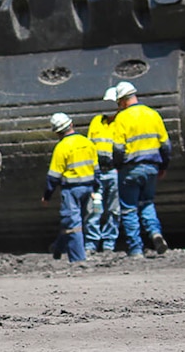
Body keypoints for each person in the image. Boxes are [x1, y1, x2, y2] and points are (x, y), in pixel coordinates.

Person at [110, 81, 170, 258]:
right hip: (151, 167)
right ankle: (155, 233)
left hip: (131, 169)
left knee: (129, 209)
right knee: (147, 203)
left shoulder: (122, 118)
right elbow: (166, 145)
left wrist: (118, 167)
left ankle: (135, 249)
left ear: (123, 100)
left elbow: (118, 148)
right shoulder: (153, 114)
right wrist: (163, 166)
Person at [41, 112, 99, 263]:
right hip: (89, 188)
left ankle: (78, 259)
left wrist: (47, 196)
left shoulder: (62, 147)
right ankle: (58, 248)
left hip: (71, 190)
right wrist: (97, 189)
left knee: (72, 223)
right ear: (71, 124)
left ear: (57, 132)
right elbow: (97, 169)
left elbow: (53, 176)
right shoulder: (87, 142)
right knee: (81, 220)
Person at [84, 86, 120, 253]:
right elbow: (89, 146)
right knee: (95, 209)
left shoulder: (122, 122)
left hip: (114, 172)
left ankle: (108, 243)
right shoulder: (96, 121)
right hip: (97, 174)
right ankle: (91, 243)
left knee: (114, 209)